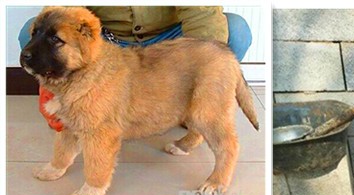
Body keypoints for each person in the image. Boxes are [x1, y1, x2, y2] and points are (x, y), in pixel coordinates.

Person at [18, 6, 253, 131]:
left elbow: (203, 15)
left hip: (168, 37)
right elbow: (64, 11)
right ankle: (77, 105)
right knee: (31, 30)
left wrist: (199, 69)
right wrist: (53, 82)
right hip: (110, 40)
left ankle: (186, 107)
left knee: (236, 31)